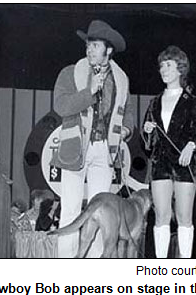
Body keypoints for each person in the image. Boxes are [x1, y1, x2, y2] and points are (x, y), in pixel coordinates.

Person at [52, 20, 134, 258]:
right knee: (70, 211)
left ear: (108, 50)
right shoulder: (70, 73)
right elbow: (61, 105)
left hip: (104, 152)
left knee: (101, 213)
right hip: (75, 149)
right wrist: (89, 93)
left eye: (95, 45)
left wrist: (126, 130)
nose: (89, 49)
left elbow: (127, 112)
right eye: (88, 45)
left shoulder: (121, 79)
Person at [142, 45, 196, 258]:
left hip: (184, 164)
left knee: (184, 217)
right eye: (161, 66)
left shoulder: (193, 102)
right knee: (161, 215)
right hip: (160, 164)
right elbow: (147, 143)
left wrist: (190, 147)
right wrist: (147, 130)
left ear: (180, 69)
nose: (163, 70)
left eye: (168, 65)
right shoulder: (154, 102)